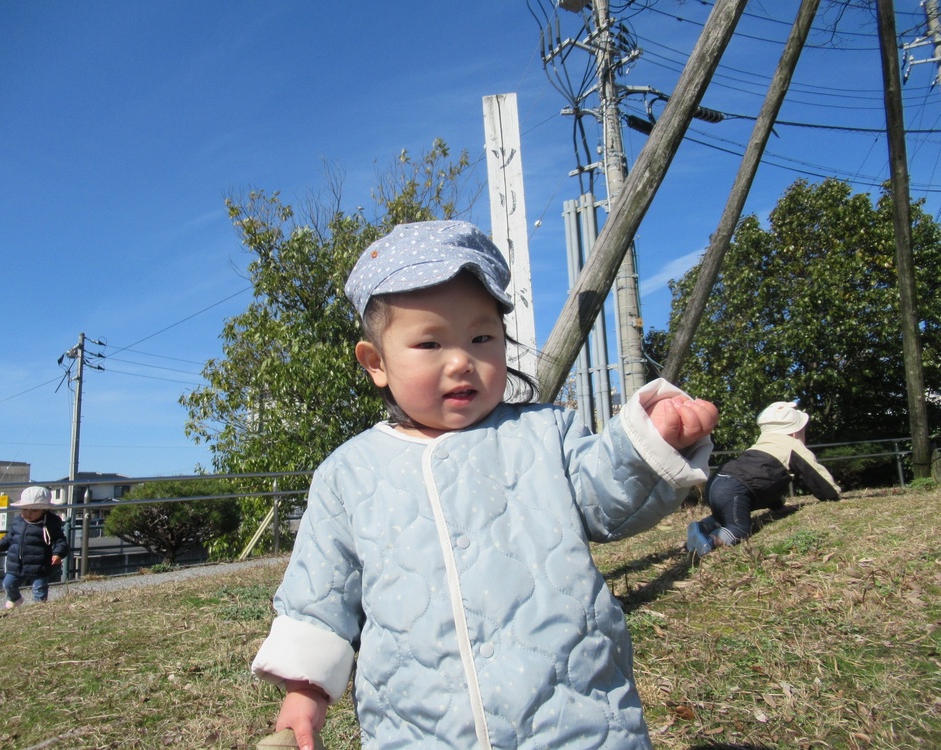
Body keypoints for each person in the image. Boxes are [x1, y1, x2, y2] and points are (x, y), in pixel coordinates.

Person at [251, 220, 718, 750]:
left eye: (482, 337)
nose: (461, 360)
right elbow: (322, 597)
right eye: (429, 342)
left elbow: (607, 497)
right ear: (376, 362)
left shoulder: (547, 433)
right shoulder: (349, 472)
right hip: (421, 730)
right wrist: (304, 692)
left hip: (576, 717)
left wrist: (646, 444)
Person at [687, 400, 841, 556]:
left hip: (717, 481)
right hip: (734, 487)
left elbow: (767, 484)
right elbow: (814, 473)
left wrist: (778, 507)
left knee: (725, 516)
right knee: (739, 528)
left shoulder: (760, 446)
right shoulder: (792, 446)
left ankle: (701, 528)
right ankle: (710, 541)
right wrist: (832, 494)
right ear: (794, 433)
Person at [0, 485, 68, 608]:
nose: (28, 514)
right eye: (25, 509)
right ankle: (15, 600)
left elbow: (59, 540)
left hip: (40, 564)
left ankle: (39, 608)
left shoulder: (50, 523)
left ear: (44, 510)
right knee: (8, 584)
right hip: (17, 564)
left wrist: (58, 554)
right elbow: (10, 537)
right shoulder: (18, 521)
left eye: (34, 510)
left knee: (39, 588)